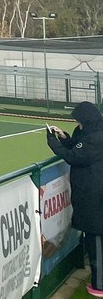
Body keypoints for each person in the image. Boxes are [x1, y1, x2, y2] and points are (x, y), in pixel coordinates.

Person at [47, 102, 103, 297]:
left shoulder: (95, 139)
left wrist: (54, 143)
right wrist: (66, 139)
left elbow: (75, 156)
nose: (78, 126)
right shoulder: (96, 132)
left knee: (95, 237)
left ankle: (100, 285)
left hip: (94, 194)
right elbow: (80, 147)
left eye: (79, 123)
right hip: (95, 192)